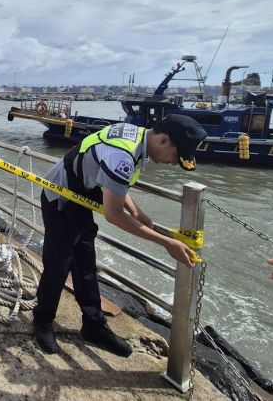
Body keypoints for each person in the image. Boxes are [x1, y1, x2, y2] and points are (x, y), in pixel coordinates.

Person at [33, 114, 207, 357]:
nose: (172, 164)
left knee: (85, 264)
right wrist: (168, 242)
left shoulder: (135, 135)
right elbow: (113, 214)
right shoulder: (122, 155)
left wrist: (135, 209)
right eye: (175, 157)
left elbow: (113, 180)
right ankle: (42, 321)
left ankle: (94, 326)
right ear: (163, 140)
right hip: (60, 196)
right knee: (58, 263)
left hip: (82, 195)